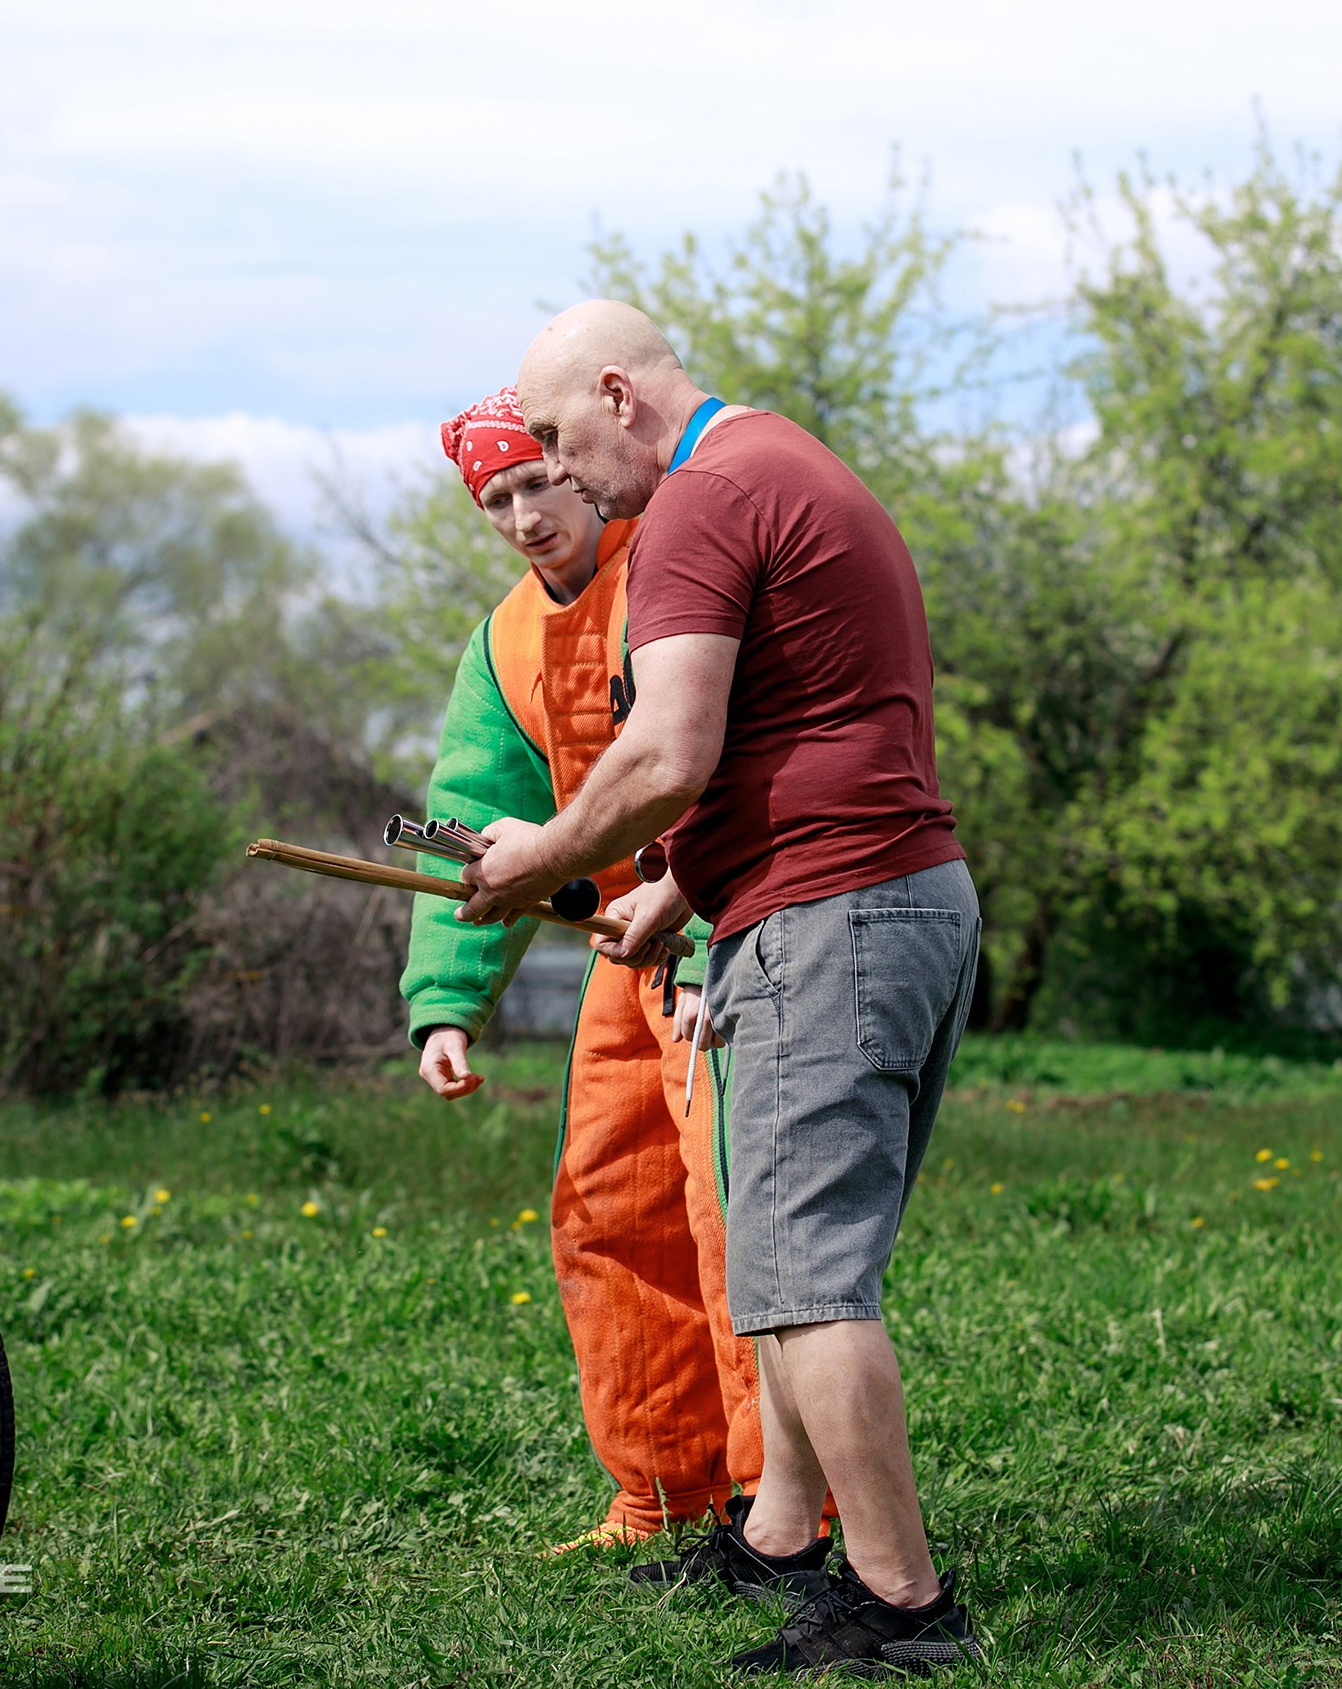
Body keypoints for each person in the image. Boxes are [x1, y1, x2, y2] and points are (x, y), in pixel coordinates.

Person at [461, 303, 986, 1675]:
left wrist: (543, 857)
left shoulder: (702, 500)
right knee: (795, 1251)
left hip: (835, 914)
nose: (565, 477)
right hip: (899, 890)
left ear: (621, 396)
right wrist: (675, 893)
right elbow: (805, 725)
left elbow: (670, 751)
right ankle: (777, 1532)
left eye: (566, 442)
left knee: (806, 1279)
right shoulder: (784, 462)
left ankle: (903, 1605)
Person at [400, 388, 826, 1586]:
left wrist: (695, 912)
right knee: (605, 1211)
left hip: (719, 929)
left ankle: (780, 1505)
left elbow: (739, 755)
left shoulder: (677, 565)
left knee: (726, 1216)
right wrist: (447, 999)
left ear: (584, 473)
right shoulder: (502, 644)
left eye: (540, 483)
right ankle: (659, 1489)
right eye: (496, 499)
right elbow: (477, 817)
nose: (525, 514)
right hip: (614, 964)